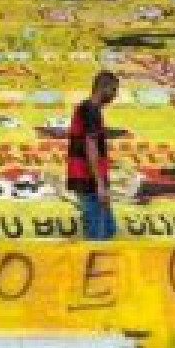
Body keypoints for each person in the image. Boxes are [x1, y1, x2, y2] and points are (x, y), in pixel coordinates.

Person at [67, 71, 119, 239]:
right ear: (104, 88)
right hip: (88, 180)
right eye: (113, 90)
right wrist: (100, 184)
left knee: (108, 228)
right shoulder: (91, 111)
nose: (114, 96)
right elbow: (90, 147)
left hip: (87, 178)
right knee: (99, 234)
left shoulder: (86, 108)